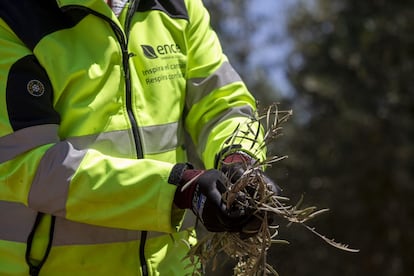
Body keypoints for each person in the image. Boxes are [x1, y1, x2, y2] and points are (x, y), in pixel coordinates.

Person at [0, 0, 275, 275]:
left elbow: (222, 105)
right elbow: (29, 166)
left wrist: (239, 160)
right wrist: (178, 188)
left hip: (173, 268)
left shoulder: (179, 6)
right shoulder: (11, 18)